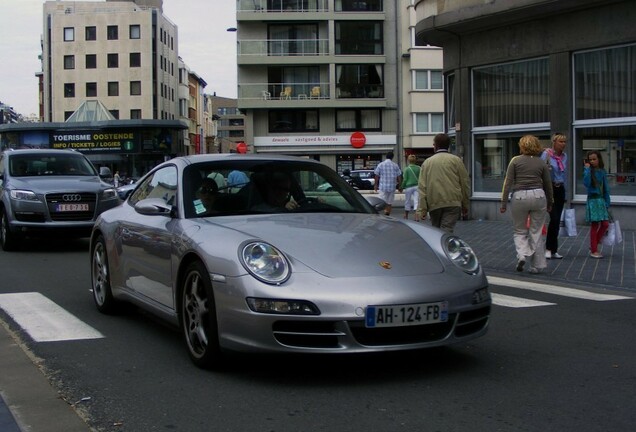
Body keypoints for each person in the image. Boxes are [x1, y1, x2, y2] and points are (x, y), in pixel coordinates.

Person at [500, 135, 554, 274]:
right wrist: (550, 202)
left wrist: (503, 202)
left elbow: (508, 183)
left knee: (520, 230)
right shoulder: (541, 162)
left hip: (520, 197)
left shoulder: (515, 161)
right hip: (538, 195)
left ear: (522, 146)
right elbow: (548, 184)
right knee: (536, 231)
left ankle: (522, 254)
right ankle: (536, 265)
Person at [418, 133, 470, 233]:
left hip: (434, 203)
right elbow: (464, 183)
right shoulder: (456, 160)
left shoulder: (427, 163)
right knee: (447, 230)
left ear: (436, 145)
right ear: (448, 145)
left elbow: (422, 187)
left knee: (436, 231)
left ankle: (437, 247)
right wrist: (465, 204)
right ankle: (445, 247)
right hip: (453, 202)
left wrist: (422, 209)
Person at [541, 133, 568, 259]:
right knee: (554, 218)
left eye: (564, 142)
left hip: (560, 188)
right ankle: (548, 248)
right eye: (560, 141)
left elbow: (563, 174)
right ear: (554, 142)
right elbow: (541, 170)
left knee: (557, 221)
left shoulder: (564, 156)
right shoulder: (546, 155)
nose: (563, 144)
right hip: (550, 188)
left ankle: (554, 249)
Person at [583, 151, 610, 259]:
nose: (592, 161)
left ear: (599, 159)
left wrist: (607, 202)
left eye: (594, 159)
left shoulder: (602, 171)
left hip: (601, 200)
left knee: (605, 224)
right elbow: (586, 183)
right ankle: (594, 250)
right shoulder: (589, 171)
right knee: (595, 225)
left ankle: (594, 244)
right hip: (593, 200)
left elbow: (606, 188)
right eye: (590, 159)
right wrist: (587, 169)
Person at [374, 151, 402, 216]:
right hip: (392, 186)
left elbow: (376, 175)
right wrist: (400, 185)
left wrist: (376, 185)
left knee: (382, 201)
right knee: (389, 202)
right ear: (392, 157)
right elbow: (399, 176)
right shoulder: (395, 165)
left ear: (386, 156)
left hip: (383, 186)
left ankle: (381, 213)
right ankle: (387, 213)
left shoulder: (381, 164)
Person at [401, 154, 421, 221]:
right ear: (415, 160)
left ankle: (406, 215)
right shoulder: (419, 168)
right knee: (416, 201)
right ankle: (416, 216)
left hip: (408, 187)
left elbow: (405, 179)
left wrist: (401, 186)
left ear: (408, 161)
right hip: (417, 186)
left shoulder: (406, 169)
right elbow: (421, 178)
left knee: (407, 201)